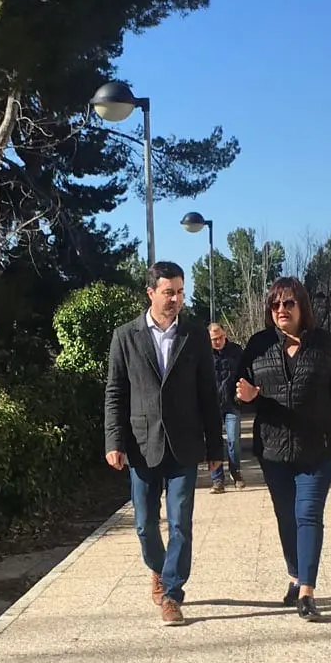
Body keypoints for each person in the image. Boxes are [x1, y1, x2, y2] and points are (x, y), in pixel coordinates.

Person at [235, 278, 331, 622]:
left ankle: (306, 593)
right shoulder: (258, 345)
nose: (281, 310)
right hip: (273, 449)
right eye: (275, 305)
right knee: (286, 517)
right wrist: (246, 397)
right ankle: (295, 574)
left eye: (289, 303)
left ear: (302, 306)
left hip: (318, 448)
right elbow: (236, 391)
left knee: (308, 514)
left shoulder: (323, 345)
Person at [105, 262, 223, 626]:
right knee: (144, 524)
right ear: (151, 293)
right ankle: (158, 568)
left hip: (184, 445)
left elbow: (208, 394)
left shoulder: (194, 336)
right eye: (168, 292)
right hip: (142, 445)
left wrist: (216, 449)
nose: (175, 299)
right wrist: (114, 440)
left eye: (180, 292)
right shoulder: (125, 336)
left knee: (181, 522)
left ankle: (172, 593)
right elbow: (115, 392)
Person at [208, 322, 245, 493]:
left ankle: (236, 472)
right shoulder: (204, 354)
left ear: (225, 335)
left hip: (231, 403)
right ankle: (217, 480)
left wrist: (240, 394)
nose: (218, 341)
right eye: (214, 339)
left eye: (220, 337)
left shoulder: (236, 351)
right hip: (212, 405)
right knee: (214, 442)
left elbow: (245, 373)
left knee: (233, 440)